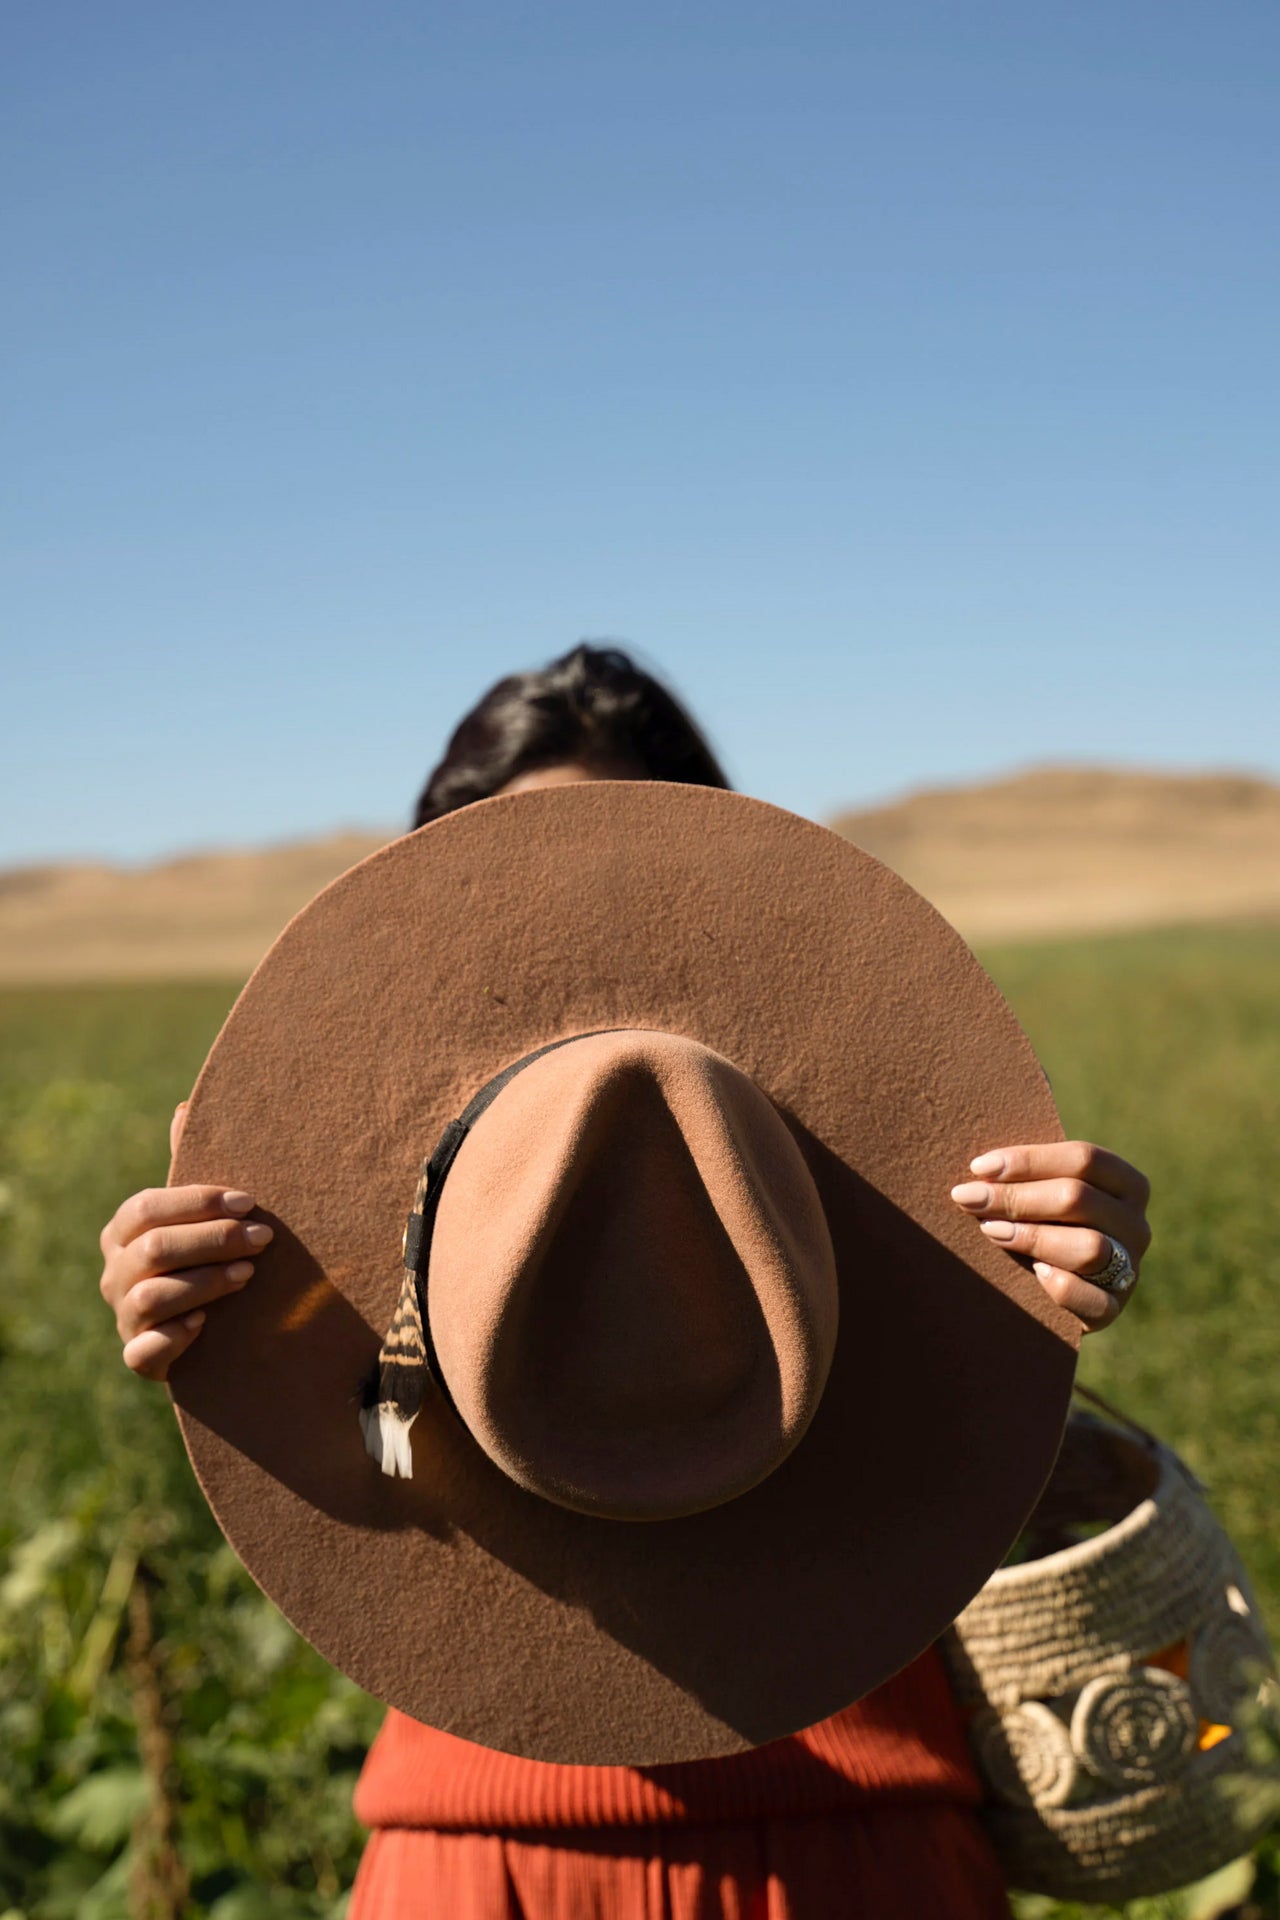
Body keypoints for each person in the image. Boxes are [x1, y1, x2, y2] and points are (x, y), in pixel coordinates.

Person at [98, 645, 1152, 1919]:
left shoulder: (855, 1175)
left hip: (866, 1851)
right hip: (476, 1860)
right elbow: (382, 1482)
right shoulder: (322, 1238)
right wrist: (235, 1351)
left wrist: (1047, 1288)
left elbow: (928, 1458)